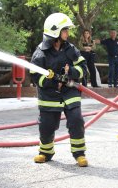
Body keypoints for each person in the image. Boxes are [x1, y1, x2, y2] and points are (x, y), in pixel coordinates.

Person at [30, 13, 88, 167]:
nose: (67, 34)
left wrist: (71, 73)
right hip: (49, 94)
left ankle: (79, 154)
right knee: (47, 125)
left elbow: (83, 68)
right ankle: (45, 152)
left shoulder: (71, 49)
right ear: (55, 32)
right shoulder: (40, 53)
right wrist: (51, 81)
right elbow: (35, 77)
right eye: (65, 30)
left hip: (70, 91)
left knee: (76, 120)